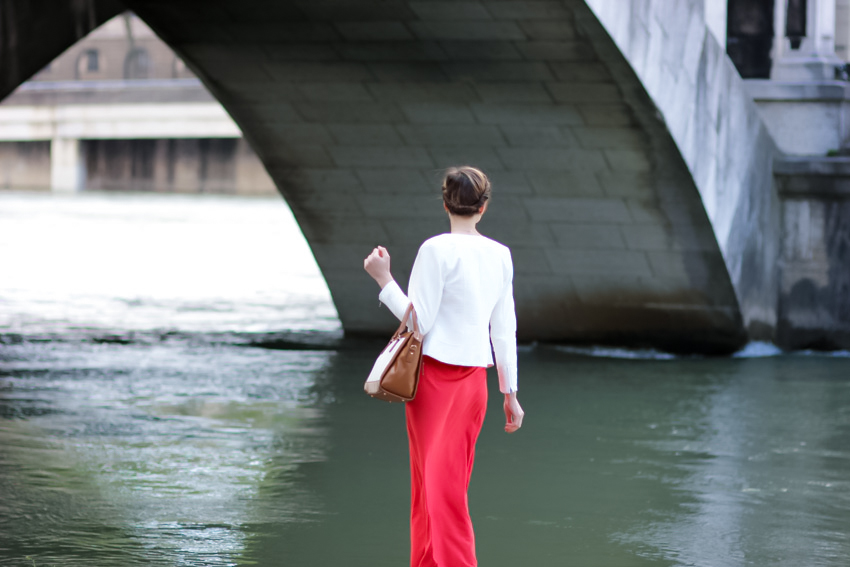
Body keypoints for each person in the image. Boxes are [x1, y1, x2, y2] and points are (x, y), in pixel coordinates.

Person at [363, 165, 524, 567]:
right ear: (483, 207)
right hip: (476, 384)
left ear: (445, 202)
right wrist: (511, 393)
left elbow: (419, 324)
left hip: (434, 380)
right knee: (441, 486)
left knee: (435, 488)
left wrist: (384, 281)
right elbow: (504, 329)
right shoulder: (500, 255)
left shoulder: (435, 249)